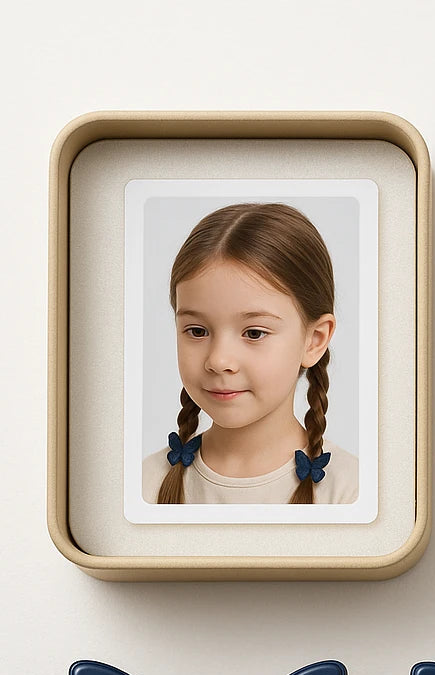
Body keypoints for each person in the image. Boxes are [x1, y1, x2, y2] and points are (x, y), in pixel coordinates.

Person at [143, 203, 359, 505]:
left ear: (314, 340)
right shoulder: (143, 486)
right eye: (197, 331)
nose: (218, 361)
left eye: (254, 333)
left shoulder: (353, 494)